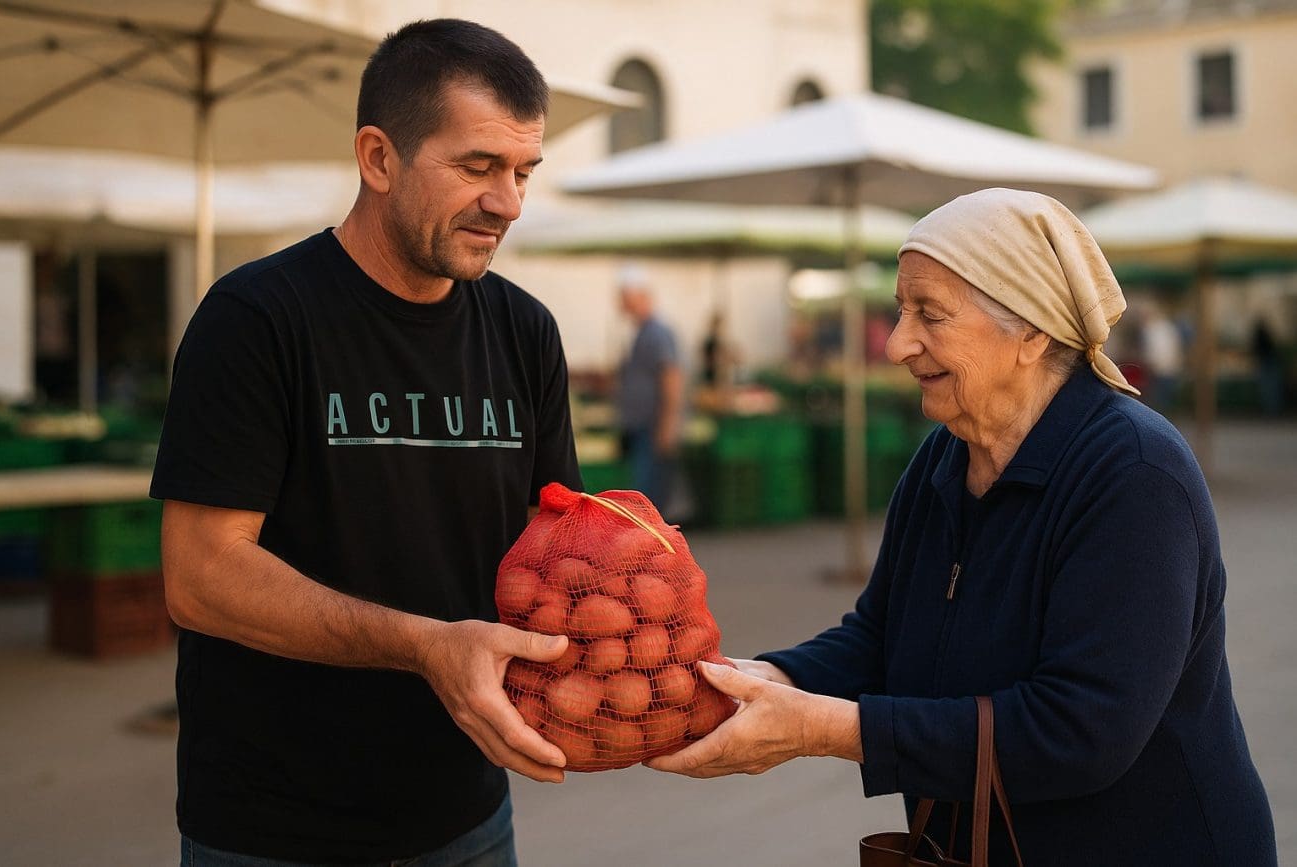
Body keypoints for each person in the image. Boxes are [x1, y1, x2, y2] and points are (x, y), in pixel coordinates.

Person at [648, 189, 1277, 866]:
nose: (896, 343)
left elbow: (1080, 731)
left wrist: (824, 729)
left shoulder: (1134, 473)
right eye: (900, 310)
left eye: (931, 315)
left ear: (1032, 332)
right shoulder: (948, 452)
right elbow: (880, 635)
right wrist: (770, 678)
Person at [150, 19, 582, 866]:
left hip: (468, 814)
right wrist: (426, 646)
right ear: (379, 159)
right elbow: (200, 576)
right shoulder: (257, 320)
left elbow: (553, 532)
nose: (510, 203)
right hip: (275, 828)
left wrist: (634, 625)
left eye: (524, 171)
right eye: (478, 166)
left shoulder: (526, 331)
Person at [616, 264, 683, 514]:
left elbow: (672, 377)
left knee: (649, 492)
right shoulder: (642, 332)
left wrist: (668, 424)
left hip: (652, 426)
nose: (621, 304)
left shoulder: (657, 333)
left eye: (624, 298)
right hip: (642, 425)